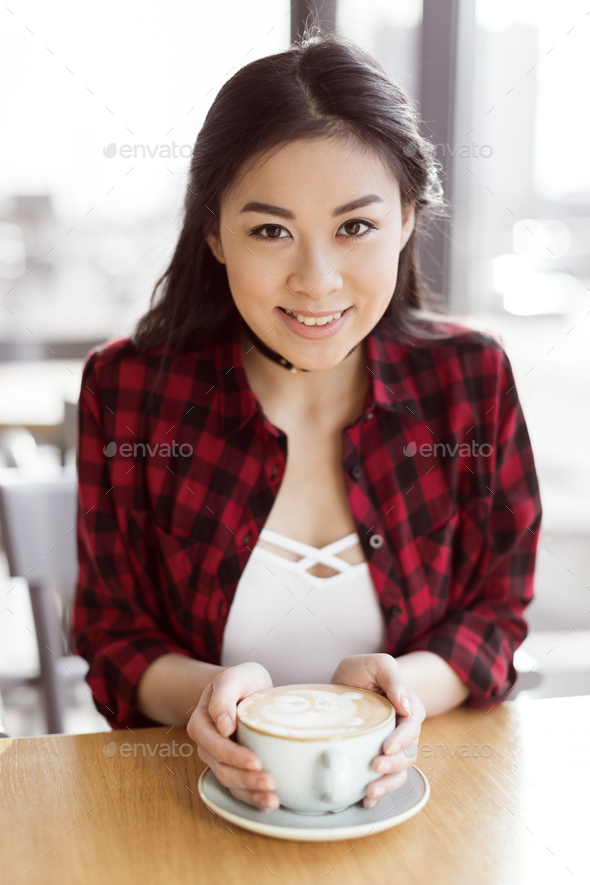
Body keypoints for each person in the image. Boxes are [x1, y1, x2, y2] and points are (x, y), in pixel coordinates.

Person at [72, 30, 542, 814]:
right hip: (188, 816)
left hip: (431, 812)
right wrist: (210, 698)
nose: (316, 281)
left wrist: (402, 693)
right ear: (215, 234)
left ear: (406, 220)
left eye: (355, 227)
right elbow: (111, 629)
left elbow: (499, 608)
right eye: (270, 230)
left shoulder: (470, 379)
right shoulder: (127, 391)